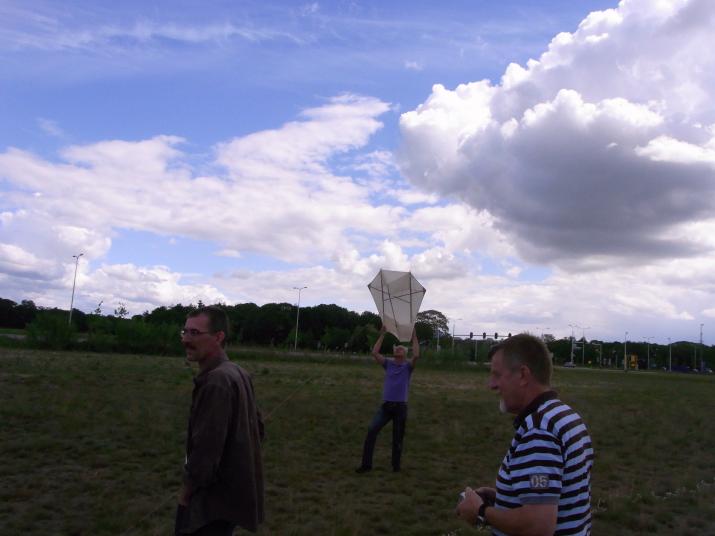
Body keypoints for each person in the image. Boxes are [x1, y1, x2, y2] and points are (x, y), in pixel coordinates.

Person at [456, 334, 594, 535]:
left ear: (522, 375)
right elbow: (556, 497)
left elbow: (538, 526)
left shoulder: (539, 431)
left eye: (496, 375)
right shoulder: (566, 416)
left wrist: (481, 510)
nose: (491, 385)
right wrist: (503, 499)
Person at [176, 306, 265, 535]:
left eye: (195, 333)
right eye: (184, 332)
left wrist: (186, 494)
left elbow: (206, 451)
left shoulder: (217, 381)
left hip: (212, 504)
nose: (186, 339)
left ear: (218, 337)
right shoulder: (237, 371)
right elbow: (259, 428)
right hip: (232, 497)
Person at [356, 324, 419, 473]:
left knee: (397, 438)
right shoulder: (388, 364)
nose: (398, 349)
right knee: (372, 431)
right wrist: (382, 334)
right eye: (396, 348)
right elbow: (374, 352)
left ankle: (396, 467)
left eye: (401, 349)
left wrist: (414, 336)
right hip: (386, 407)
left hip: (400, 408)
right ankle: (366, 465)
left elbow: (416, 355)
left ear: (404, 354)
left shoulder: (408, 367)